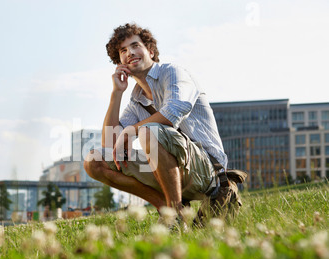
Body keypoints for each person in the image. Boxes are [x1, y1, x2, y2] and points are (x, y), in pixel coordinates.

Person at [84, 23, 246, 226]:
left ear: (150, 51)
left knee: (148, 131)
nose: (130, 52)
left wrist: (130, 131)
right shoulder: (136, 101)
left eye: (135, 45)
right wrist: (116, 93)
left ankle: (174, 216)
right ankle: (168, 210)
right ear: (120, 63)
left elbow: (171, 114)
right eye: (123, 51)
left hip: (207, 170)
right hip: (171, 172)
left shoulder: (173, 73)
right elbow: (110, 144)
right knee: (94, 160)